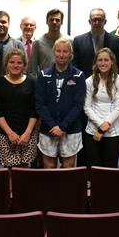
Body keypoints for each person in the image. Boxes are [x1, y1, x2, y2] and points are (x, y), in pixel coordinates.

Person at [35, 38, 86, 168]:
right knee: (49, 166)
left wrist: (62, 127)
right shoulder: (43, 75)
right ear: (53, 52)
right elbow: (40, 104)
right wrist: (53, 126)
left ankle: (66, 190)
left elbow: (78, 105)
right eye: (58, 51)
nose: (61, 55)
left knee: (68, 167)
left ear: (70, 54)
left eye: (65, 51)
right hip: (48, 129)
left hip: (71, 129)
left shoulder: (78, 76)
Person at [0, 48, 38, 168]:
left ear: (24, 65)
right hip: (5, 134)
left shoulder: (32, 82)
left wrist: (27, 133)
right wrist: (10, 133)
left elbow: (35, 109)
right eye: (12, 62)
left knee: (23, 172)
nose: (15, 65)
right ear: (6, 63)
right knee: (9, 172)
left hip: (27, 134)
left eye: (19, 63)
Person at [83, 47, 119, 168]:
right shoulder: (89, 81)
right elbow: (87, 107)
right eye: (100, 60)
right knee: (93, 168)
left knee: (109, 169)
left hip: (112, 133)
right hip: (92, 131)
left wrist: (103, 128)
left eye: (106, 60)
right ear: (96, 62)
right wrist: (99, 125)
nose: (103, 63)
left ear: (112, 61)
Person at [73, 8, 119, 78]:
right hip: (85, 83)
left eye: (100, 20)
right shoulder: (78, 41)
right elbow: (75, 66)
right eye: (94, 20)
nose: (97, 22)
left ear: (105, 21)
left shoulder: (116, 41)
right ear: (89, 21)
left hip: (110, 83)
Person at [28, 8, 71, 77]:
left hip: (66, 82)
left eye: (57, 20)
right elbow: (32, 70)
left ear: (62, 22)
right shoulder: (38, 42)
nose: (54, 22)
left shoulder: (69, 41)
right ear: (46, 21)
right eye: (51, 20)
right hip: (45, 83)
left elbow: (73, 64)